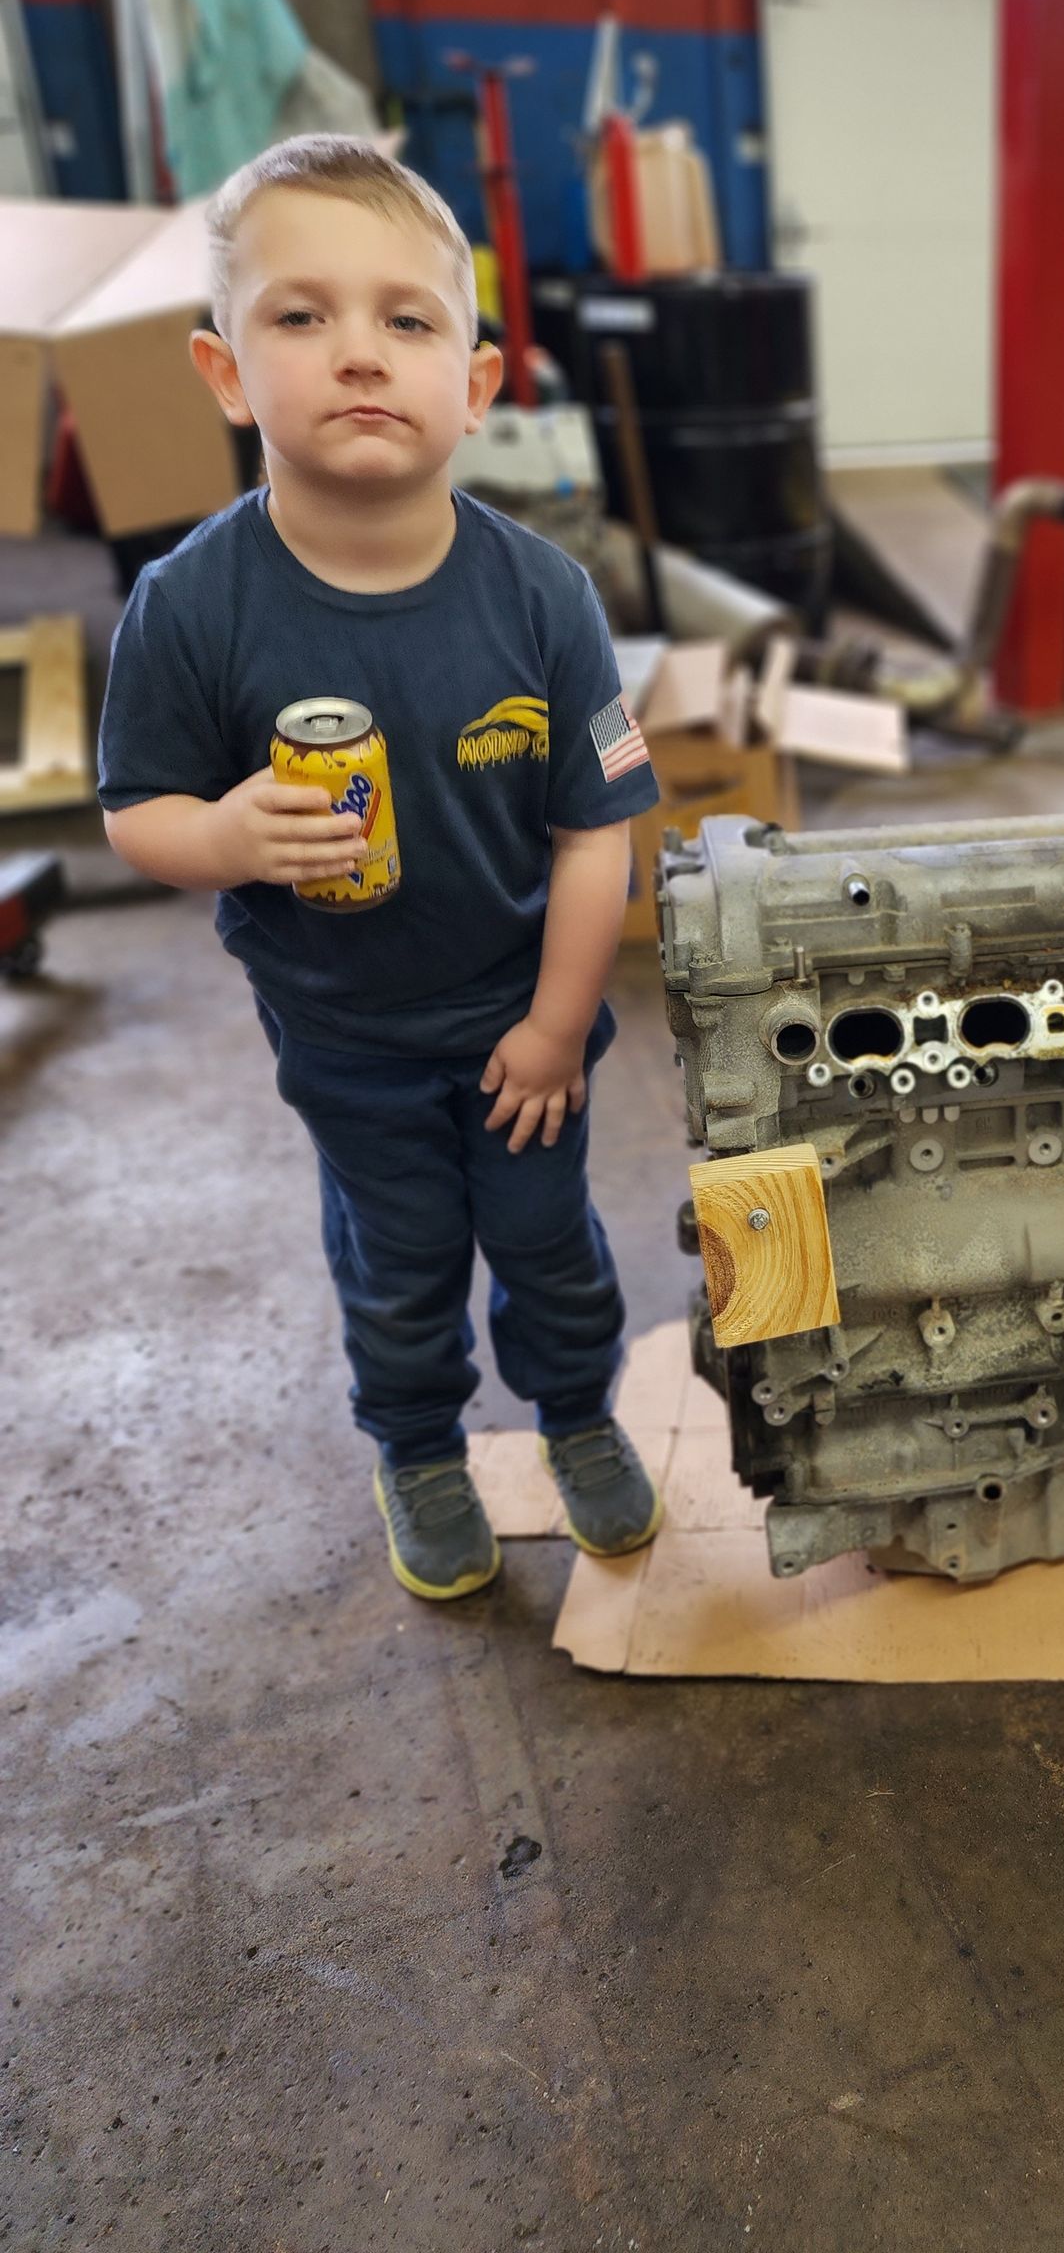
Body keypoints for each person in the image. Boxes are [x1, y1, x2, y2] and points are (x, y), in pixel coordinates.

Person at [98, 133, 664, 1593]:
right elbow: (134, 814)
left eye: (406, 319)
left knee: (550, 1249)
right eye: (302, 316)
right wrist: (219, 837)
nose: (358, 354)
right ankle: (418, 1447)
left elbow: (597, 834)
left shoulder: (543, 598)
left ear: (474, 388)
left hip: (519, 1025)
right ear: (226, 371)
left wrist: (552, 1028)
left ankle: (580, 1419)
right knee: (400, 1266)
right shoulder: (191, 607)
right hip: (345, 1039)